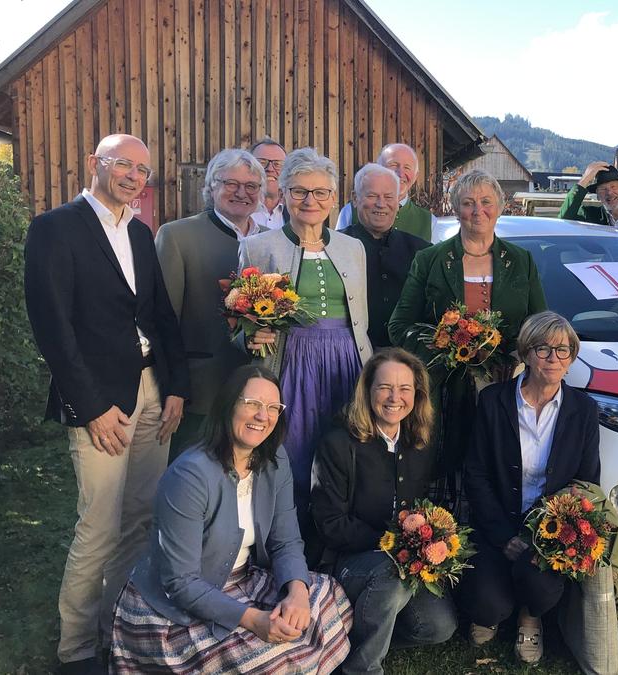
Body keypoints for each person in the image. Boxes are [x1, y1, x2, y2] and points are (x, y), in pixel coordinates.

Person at [23, 133, 189, 674]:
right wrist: (89, 407)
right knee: (98, 523)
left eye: (143, 170)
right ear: (95, 163)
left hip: (151, 393)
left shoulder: (141, 234)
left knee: (141, 517)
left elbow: (162, 317)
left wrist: (177, 387)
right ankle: (77, 650)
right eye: (124, 165)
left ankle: (115, 625)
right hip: (101, 400)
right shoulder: (55, 228)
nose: (134, 177)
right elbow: (53, 329)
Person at [110, 365, 352, 673]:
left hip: (240, 580)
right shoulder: (191, 475)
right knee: (265, 658)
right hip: (175, 607)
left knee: (330, 598)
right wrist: (255, 620)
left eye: (272, 408)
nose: (262, 416)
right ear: (228, 406)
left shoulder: (275, 458)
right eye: (251, 403)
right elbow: (180, 583)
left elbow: (286, 540)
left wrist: (297, 594)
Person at [389, 170, 547, 493]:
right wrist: (443, 349)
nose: (478, 211)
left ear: (500, 207)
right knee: (444, 473)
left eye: (486, 202)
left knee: (497, 470)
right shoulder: (429, 260)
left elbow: (539, 326)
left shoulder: (521, 262)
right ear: (455, 209)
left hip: (505, 386)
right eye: (468, 203)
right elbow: (399, 326)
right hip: (443, 391)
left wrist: (517, 357)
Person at [459, 312, 601, 665]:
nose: (553, 358)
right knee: (486, 605)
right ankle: (496, 609)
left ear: (572, 357)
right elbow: (475, 474)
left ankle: (529, 615)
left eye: (563, 350)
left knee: (540, 588)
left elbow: (586, 481)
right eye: (543, 348)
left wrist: (545, 535)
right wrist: (504, 535)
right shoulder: (493, 401)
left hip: (547, 530)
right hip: (496, 524)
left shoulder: (584, 410)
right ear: (525, 352)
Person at [239, 148, 372, 514]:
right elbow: (239, 320)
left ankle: (339, 546)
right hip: (291, 362)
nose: (309, 200)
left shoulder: (353, 247)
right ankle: (289, 546)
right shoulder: (257, 248)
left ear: (333, 197)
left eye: (320, 192)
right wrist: (250, 337)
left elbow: (360, 317)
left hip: (347, 362)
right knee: (291, 454)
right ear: (282, 194)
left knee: (348, 452)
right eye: (299, 191)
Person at [311, 348, 456, 673]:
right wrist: (395, 545)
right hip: (347, 560)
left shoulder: (419, 440)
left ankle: (346, 640)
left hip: (401, 559)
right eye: (384, 387)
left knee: (437, 628)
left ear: (416, 395)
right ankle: (363, 667)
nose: (395, 398)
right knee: (393, 577)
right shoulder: (338, 442)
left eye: (404, 388)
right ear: (368, 391)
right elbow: (330, 524)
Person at [156, 148, 264, 460]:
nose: (241, 193)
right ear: (210, 187)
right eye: (231, 184)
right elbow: (164, 320)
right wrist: (173, 388)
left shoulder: (270, 240)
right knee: (189, 480)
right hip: (200, 392)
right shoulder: (178, 237)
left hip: (256, 389)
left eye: (251, 186)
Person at [341, 163, 432, 349]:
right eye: (372, 196)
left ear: (398, 202)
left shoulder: (422, 252)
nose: (381, 204)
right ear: (355, 199)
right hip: (349, 355)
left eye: (389, 197)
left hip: (406, 357)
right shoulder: (336, 246)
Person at [336, 143, 438, 241]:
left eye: (407, 167)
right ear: (378, 169)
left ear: (415, 176)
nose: (400, 173)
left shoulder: (429, 222)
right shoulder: (350, 211)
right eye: (393, 165)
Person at [558, 161, 618, 231]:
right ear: (598, 195)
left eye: (614, 187)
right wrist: (585, 179)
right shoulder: (588, 216)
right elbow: (563, 221)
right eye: (603, 189)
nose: (609, 193)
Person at [250, 138, 288, 230]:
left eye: (278, 164)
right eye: (262, 163)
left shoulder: (296, 211)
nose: (270, 169)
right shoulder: (237, 209)